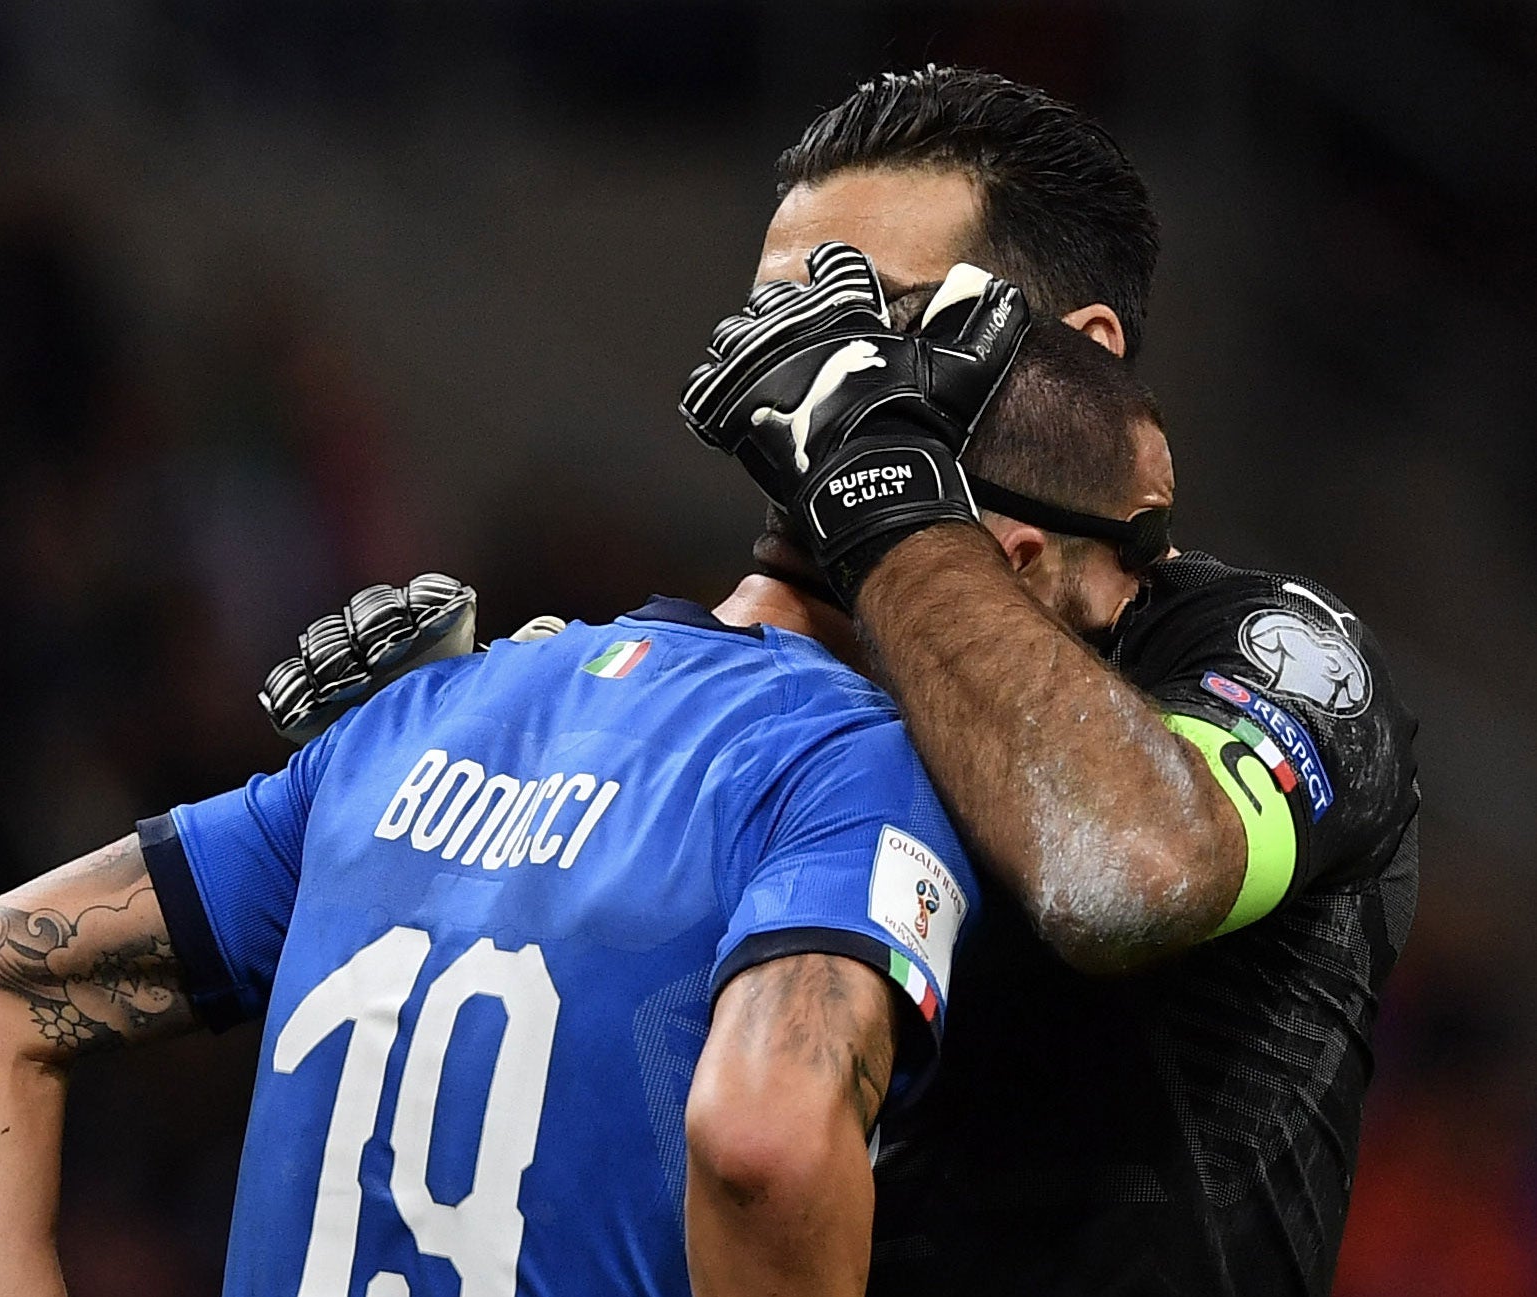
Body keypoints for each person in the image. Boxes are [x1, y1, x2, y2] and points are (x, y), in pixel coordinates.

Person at [272, 68, 1420, 1297]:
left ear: (1078, 359)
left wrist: (883, 490)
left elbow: (1127, 871)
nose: (809, 373)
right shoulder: (768, 697)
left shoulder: (1271, 654)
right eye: (787, 323)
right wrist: (439, 817)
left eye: (873, 324)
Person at [0, 266, 1151, 1297]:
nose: (1105, 656)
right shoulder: (853, 765)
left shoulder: (418, 710)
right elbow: (768, 1142)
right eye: (1108, 602)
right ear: (1013, 558)